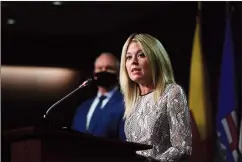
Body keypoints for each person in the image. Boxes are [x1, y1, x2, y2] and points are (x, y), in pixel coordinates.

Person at [119, 33, 192, 162]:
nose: (133, 62)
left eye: (141, 55)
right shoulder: (132, 100)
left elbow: (182, 147)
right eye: (128, 57)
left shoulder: (172, 92)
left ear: (156, 59)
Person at [72, 52, 126, 141]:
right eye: (100, 68)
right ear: (94, 73)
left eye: (109, 68)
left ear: (118, 73)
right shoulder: (83, 107)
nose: (104, 71)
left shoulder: (125, 104)